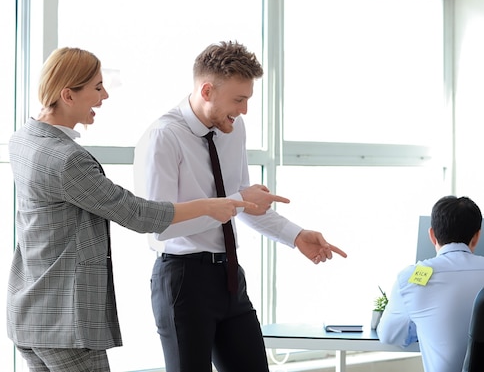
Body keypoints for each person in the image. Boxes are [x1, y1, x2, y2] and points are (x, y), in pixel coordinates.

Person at [7, 47, 256, 372]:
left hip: (29, 313)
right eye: (97, 87)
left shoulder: (23, 139)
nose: (105, 95)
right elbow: (136, 214)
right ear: (68, 95)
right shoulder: (67, 160)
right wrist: (212, 206)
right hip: (64, 321)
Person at [133, 40, 347, 372]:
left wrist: (296, 235)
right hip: (182, 280)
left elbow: (243, 204)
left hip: (230, 276)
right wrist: (237, 201)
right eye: (238, 100)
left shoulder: (233, 128)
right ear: (207, 91)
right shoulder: (164, 136)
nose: (244, 110)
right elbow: (159, 227)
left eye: (247, 99)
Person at [376, 195, 484, 372]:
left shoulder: (409, 278)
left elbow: (390, 336)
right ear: (476, 236)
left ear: (432, 235)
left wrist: (425, 326)